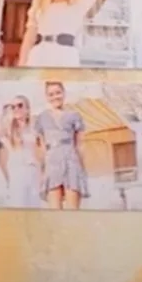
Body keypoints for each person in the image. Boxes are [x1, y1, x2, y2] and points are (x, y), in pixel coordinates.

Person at [34, 80, 89, 209]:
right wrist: (42, 172)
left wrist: (82, 169)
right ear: (47, 97)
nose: (55, 97)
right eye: (51, 94)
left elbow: (80, 145)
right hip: (52, 162)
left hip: (71, 160)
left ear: (63, 93)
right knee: (55, 210)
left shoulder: (74, 115)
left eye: (58, 93)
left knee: (72, 210)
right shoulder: (42, 118)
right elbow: (41, 148)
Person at [0, 95, 42, 208]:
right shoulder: (7, 130)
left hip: (33, 172)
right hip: (16, 172)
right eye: (13, 107)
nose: (16, 109)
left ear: (27, 108)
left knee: (34, 208)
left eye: (20, 105)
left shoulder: (35, 129)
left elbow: (42, 153)